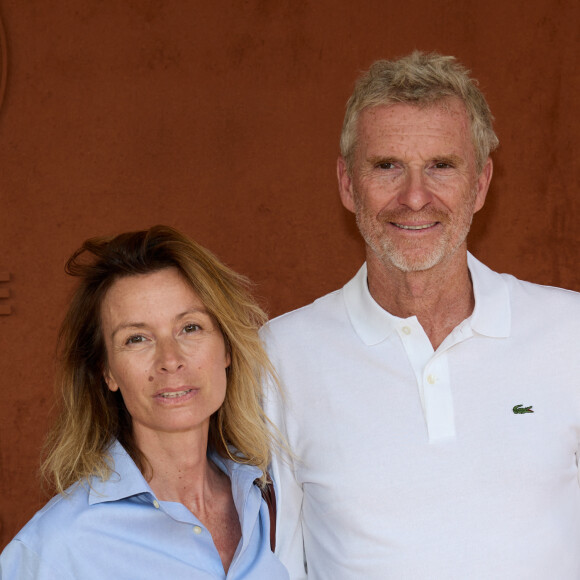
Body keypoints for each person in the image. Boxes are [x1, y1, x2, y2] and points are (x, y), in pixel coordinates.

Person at [263, 51, 580, 579]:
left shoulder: (571, 334)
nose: (415, 197)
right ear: (347, 184)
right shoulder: (282, 354)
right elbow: (278, 562)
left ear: (480, 185)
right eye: (387, 166)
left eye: (441, 166)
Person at [0, 225, 289, 580]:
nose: (170, 359)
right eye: (137, 338)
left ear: (227, 347)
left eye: (190, 328)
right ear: (107, 371)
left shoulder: (270, 495)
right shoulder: (58, 545)